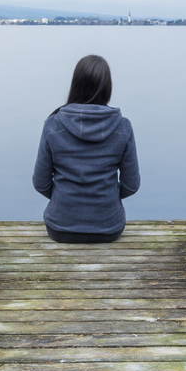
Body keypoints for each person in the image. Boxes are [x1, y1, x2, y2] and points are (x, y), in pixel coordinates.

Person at [32, 55, 140, 243]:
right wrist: (107, 199)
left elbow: (40, 182)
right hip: (110, 228)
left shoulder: (53, 125)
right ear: (108, 87)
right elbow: (131, 185)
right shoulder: (123, 127)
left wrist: (63, 199)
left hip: (60, 228)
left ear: (75, 85)